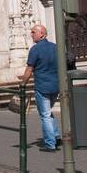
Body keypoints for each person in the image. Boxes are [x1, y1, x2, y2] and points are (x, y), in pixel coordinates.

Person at [21, 23, 61, 152]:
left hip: (42, 86)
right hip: (55, 85)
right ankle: (55, 136)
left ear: (42, 34)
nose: (31, 34)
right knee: (48, 112)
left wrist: (23, 84)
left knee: (45, 115)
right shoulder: (55, 47)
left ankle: (50, 143)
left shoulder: (35, 49)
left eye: (33, 32)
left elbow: (29, 69)